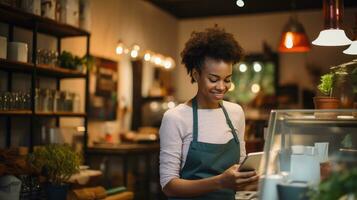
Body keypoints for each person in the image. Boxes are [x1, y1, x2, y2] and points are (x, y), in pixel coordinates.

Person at [159, 27, 259, 200]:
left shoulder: (236, 113)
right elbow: (169, 185)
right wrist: (220, 182)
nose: (221, 87)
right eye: (213, 79)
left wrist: (256, 178)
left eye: (227, 79)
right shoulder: (175, 118)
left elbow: (241, 167)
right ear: (196, 75)